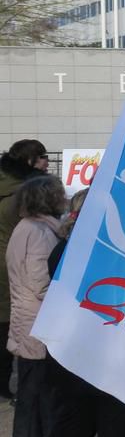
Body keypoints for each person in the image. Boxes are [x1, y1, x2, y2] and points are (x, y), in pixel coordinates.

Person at [35, 188, 125, 437]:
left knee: (74, 417)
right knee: (117, 417)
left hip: (67, 347)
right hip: (108, 348)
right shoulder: (112, 253)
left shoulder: (63, 249)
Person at [7, 175, 67, 437]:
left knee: (31, 395)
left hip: (26, 320)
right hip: (40, 322)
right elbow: (40, 282)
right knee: (50, 397)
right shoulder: (41, 232)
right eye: (59, 193)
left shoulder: (25, 228)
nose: (64, 197)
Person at [0, 140, 49, 402]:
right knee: (17, 325)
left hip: (8, 263)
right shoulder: (26, 193)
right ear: (29, 161)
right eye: (41, 156)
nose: (46, 161)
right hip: (16, 265)